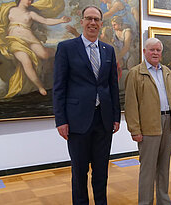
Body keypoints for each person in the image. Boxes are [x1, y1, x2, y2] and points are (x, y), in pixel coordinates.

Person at [53, 6, 120, 205]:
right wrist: (61, 120)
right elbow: (59, 87)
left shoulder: (109, 50)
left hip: (104, 120)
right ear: (81, 21)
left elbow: (112, 86)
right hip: (77, 121)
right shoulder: (66, 48)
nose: (93, 23)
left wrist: (116, 116)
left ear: (101, 23)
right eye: (89, 18)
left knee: (101, 171)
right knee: (80, 171)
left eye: (96, 19)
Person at [124, 38, 171, 205]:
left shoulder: (168, 72)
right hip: (148, 126)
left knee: (164, 167)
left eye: (158, 50)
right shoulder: (135, 73)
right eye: (152, 50)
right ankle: (145, 202)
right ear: (144, 52)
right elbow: (131, 104)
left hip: (168, 123)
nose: (155, 53)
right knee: (148, 169)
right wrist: (135, 129)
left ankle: (164, 200)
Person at [0, 0, 71, 97]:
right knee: (27, 62)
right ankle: (40, 86)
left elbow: (45, 21)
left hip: (30, 38)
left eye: (31, 0)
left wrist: (60, 20)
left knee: (44, 54)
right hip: (14, 40)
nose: (30, 1)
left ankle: (59, 52)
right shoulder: (9, 10)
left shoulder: (31, 13)